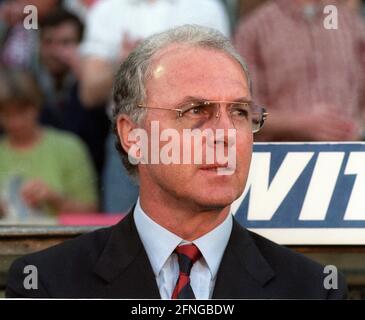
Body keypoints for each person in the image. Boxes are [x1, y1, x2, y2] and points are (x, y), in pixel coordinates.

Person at [6, 25, 347, 298]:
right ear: (132, 136)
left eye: (240, 112)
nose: (226, 134)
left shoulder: (312, 290)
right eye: (196, 111)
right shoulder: (49, 285)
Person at [79, 0, 231, 213]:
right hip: (129, 138)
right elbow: (89, 93)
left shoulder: (205, 7)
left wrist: (154, 66)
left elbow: (222, 80)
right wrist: (126, 65)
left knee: (195, 228)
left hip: (194, 136)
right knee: (122, 236)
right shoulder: (107, 9)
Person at [234, 0, 365, 141]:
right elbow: (239, 112)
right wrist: (298, 124)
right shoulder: (254, 30)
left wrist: (358, 129)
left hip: (351, 155)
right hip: (280, 158)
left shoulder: (353, 26)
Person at [0, 69, 98, 219]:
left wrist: (55, 199)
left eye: (22, 111)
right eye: (6, 114)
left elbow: (92, 214)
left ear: (37, 106)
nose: (15, 122)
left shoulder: (69, 147)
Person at [37, 8, 109, 183]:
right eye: (48, 42)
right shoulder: (31, 83)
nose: (56, 51)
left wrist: (84, 77)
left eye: (66, 43)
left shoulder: (95, 86)